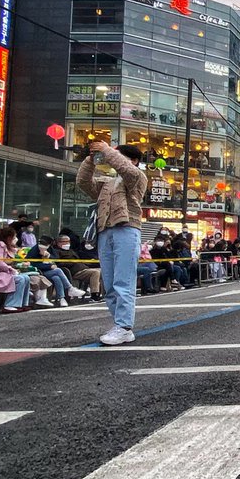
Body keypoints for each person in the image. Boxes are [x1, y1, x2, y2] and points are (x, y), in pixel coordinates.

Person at [76, 140, 148, 345]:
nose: (112, 159)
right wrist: (91, 158)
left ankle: (124, 326)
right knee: (109, 282)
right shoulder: (106, 183)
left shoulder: (137, 177)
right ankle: (120, 324)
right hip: (105, 231)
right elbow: (82, 181)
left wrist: (107, 150)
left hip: (127, 229)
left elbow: (126, 169)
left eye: (118, 156)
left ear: (133, 160)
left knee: (123, 280)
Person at [0, 226, 31, 312]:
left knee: (26, 278)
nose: (15, 239)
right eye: (14, 237)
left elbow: (7, 260)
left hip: (2, 272)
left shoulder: (6, 246)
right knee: (19, 279)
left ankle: (22, 303)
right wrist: (11, 270)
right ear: (9, 237)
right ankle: (10, 304)